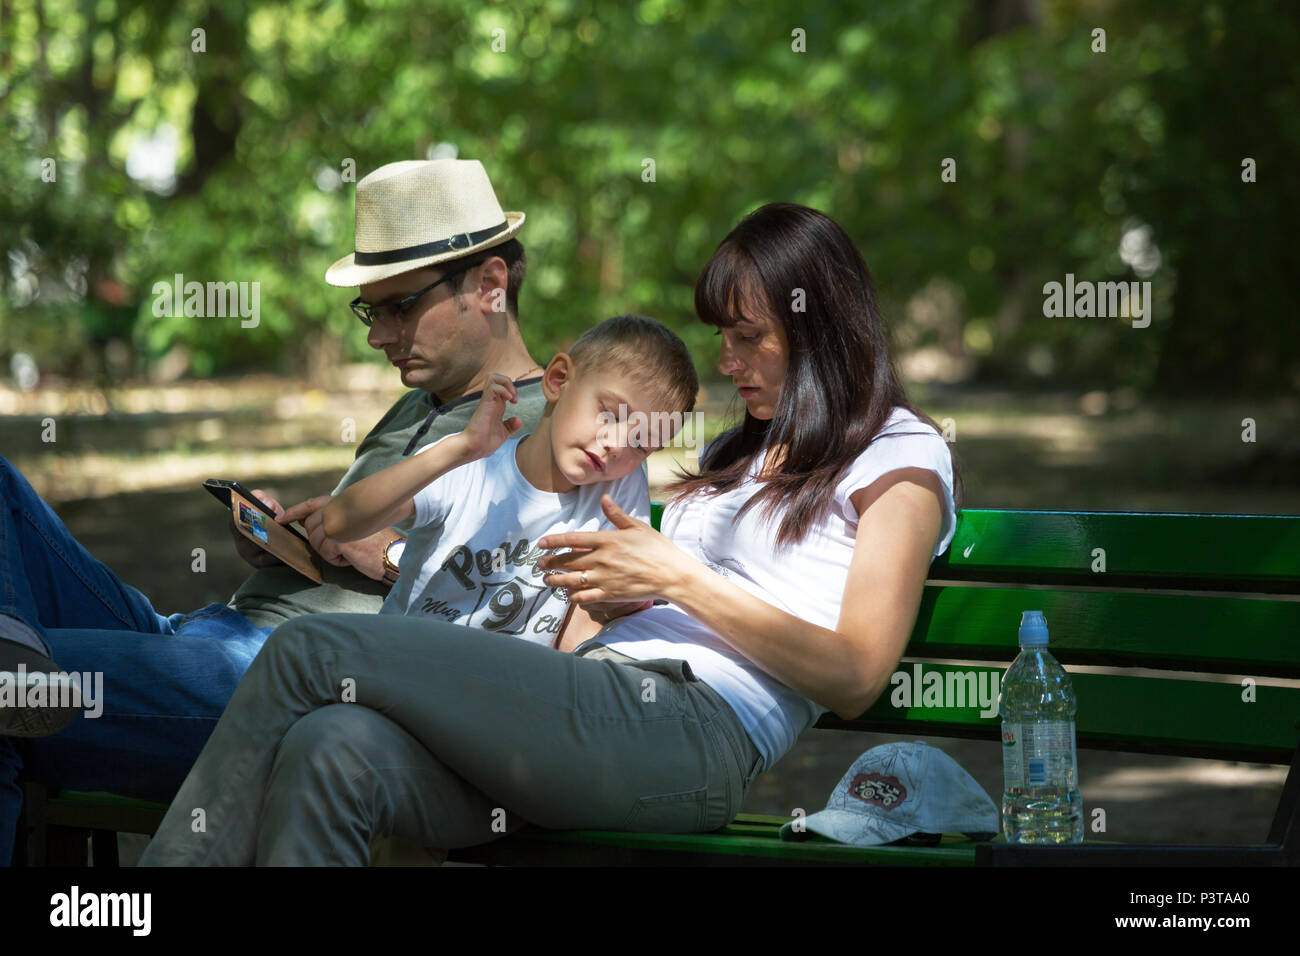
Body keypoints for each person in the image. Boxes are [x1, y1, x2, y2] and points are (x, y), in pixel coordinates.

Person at [138, 201, 964, 866]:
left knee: (309, 651)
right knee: (332, 747)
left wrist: (678, 579)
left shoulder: (900, 453)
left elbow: (855, 674)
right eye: (723, 336)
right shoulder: (736, 451)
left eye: (748, 337)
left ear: (820, 327)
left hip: (690, 732)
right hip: (581, 708)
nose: (726, 360)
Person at [0, 159, 550, 864]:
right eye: (370, 311)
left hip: (289, 683)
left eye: (400, 306)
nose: (377, 336)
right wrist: (287, 545)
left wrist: (388, 555)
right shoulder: (419, 405)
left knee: (12, 689)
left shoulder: (547, 430)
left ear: (491, 285)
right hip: (204, 638)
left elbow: (531, 622)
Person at [321, 315, 698, 647]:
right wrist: (460, 448)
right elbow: (339, 523)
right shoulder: (470, 466)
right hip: (404, 661)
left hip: (506, 690)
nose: (617, 444)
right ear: (558, 379)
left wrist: (628, 596)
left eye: (641, 443)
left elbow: (589, 625)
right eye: (610, 414)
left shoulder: (617, 488)